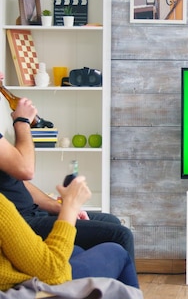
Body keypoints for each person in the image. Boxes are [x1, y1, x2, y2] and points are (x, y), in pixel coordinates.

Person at [0, 99, 138, 291]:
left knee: (110, 224)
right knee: (120, 237)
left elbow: (17, 179)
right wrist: (22, 121)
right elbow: (25, 169)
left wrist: (59, 207)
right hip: (20, 223)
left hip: (30, 214)